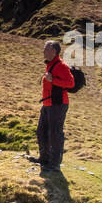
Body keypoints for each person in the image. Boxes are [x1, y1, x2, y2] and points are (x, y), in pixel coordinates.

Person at [33, 40, 74, 172]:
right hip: (47, 104)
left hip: (58, 104)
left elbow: (71, 83)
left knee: (55, 133)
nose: (43, 51)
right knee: (41, 131)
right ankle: (44, 158)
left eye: (46, 49)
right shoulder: (50, 65)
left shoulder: (61, 66)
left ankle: (55, 164)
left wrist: (53, 80)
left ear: (54, 51)